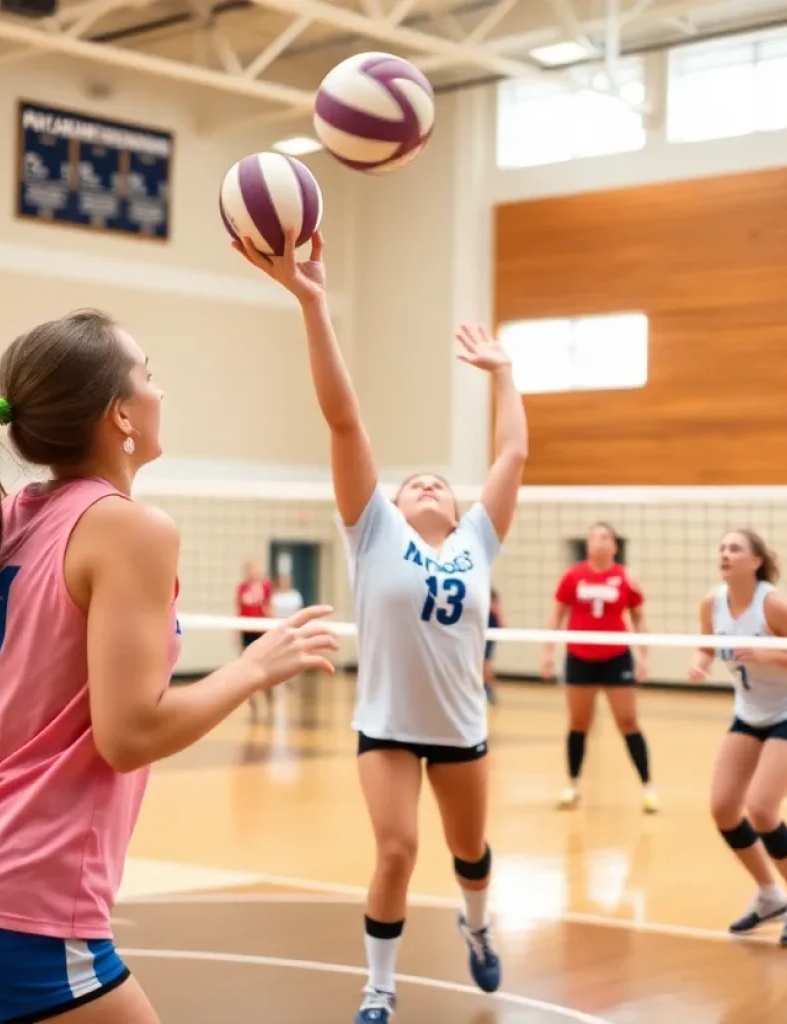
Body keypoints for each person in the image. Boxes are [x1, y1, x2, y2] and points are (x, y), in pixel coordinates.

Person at [0, 310, 338, 1023]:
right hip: (19, 900)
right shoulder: (128, 527)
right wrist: (254, 667)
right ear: (119, 413)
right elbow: (127, 735)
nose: (161, 392)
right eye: (148, 375)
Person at [232, 230, 527, 1024]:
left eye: (441, 480)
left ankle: (477, 924)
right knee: (397, 850)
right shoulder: (374, 533)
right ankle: (381, 988)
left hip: (461, 726)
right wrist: (313, 302)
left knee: (470, 853)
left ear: (457, 506)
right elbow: (343, 418)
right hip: (388, 726)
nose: (428, 482)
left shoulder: (476, 541)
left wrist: (504, 374)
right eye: (413, 480)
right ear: (392, 504)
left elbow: (512, 456)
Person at [687, 528, 787, 946]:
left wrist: (770, 653)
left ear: (756, 561)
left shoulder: (773, 604)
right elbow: (707, 646)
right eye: (722, 547)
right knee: (724, 808)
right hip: (749, 713)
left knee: (762, 809)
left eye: (735, 548)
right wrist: (699, 663)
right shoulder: (712, 603)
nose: (725, 553)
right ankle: (770, 895)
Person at [540, 523, 656, 813]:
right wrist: (546, 652)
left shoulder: (626, 578)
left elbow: (639, 617)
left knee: (628, 721)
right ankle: (572, 785)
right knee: (579, 723)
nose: (598, 541)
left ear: (614, 546)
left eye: (604, 537)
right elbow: (556, 613)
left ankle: (647, 787)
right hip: (579, 655)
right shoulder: (573, 576)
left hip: (616, 656)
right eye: (593, 537)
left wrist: (644, 656)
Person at [237, 561, 273, 721]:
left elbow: (269, 607)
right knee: (246, 669)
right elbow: (239, 608)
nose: (253, 571)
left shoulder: (265, 586)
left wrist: (271, 625)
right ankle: (253, 708)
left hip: (261, 629)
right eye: (250, 568)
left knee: (265, 670)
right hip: (246, 630)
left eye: (255, 568)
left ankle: (270, 704)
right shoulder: (242, 588)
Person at [483, 588, 502, 705]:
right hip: (484, 631)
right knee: (485, 662)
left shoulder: (490, 593)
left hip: (490, 631)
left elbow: (497, 611)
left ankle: (488, 688)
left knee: (487, 662)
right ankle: (486, 688)